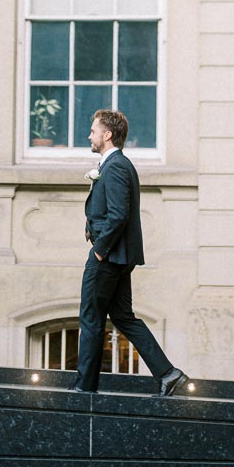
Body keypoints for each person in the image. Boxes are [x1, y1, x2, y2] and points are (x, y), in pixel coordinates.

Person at [74, 108, 188, 396]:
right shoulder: (116, 165)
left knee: (91, 318)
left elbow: (118, 214)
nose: (89, 135)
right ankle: (168, 373)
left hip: (108, 257)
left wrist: (99, 250)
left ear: (107, 135)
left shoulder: (115, 167)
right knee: (123, 317)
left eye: (93, 131)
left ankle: (84, 390)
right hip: (119, 257)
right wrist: (91, 227)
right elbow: (110, 209)